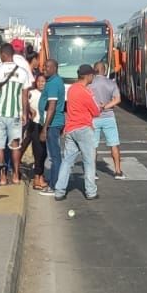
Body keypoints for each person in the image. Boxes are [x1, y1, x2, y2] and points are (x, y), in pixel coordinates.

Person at [50, 64, 101, 201]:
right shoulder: (86, 92)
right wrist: (99, 106)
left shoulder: (72, 89)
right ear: (88, 76)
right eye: (93, 75)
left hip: (71, 128)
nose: (93, 77)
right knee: (89, 162)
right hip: (84, 128)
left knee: (67, 161)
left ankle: (59, 191)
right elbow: (96, 111)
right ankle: (91, 192)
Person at [0, 44, 31, 186]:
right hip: (15, 114)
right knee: (15, 146)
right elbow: (25, 96)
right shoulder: (22, 72)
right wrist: (24, 113)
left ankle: (3, 176)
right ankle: (16, 175)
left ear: (3, 55)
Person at [90, 58, 124, 179]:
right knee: (114, 144)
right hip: (109, 116)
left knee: (93, 146)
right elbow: (117, 99)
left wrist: (96, 107)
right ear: (104, 71)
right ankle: (118, 171)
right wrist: (105, 106)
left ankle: (93, 172)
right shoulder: (111, 83)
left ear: (94, 70)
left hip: (94, 118)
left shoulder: (90, 84)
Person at [38, 59, 66, 189]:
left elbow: (52, 107)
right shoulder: (52, 81)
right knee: (54, 155)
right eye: (44, 66)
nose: (45, 68)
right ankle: (54, 181)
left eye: (48, 67)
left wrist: (45, 128)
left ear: (55, 68)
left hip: (52, 124)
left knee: (55, 156)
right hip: (53, 123)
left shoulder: (54, 83)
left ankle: (55, 185)